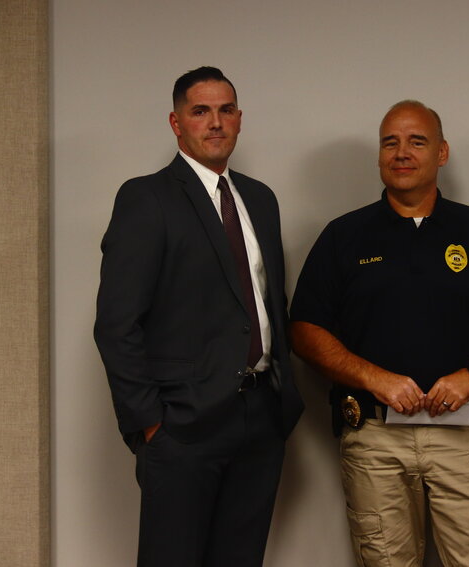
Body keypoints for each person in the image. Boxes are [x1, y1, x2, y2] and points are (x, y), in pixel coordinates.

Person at [290, 100, 469, 567]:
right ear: (380, 156)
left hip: (463, 433)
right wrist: (373, 378)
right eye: (391, 142)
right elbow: (305, 331)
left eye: (416, 141)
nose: (402, 152)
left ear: (441, 153)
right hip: (374, 438)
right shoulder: (344, 236)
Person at [94, 66, 303, 567]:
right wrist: (151, 425)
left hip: (260, 420)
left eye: (225, 110)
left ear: (239, 119)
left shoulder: (261, 200)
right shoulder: (147, 198)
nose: (215, 122)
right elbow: (116, 325)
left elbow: (269, 303)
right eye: (200, 111)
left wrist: (280, 402)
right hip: (183, 426)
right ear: (176, 123)